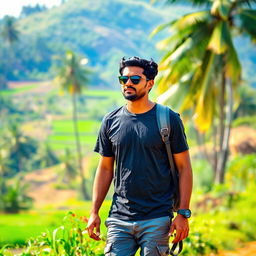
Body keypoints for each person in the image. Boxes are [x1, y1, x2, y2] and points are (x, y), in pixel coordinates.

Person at [87, 56, 193, 256]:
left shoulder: (168, 119)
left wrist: (183, 213)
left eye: (135, 79)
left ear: (150, 83)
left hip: (157, 217)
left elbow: (184, 168)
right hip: (119, 217)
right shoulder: (110, 121)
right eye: (123, 79)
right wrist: (94, 212)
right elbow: (105, 168)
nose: (128, 83)